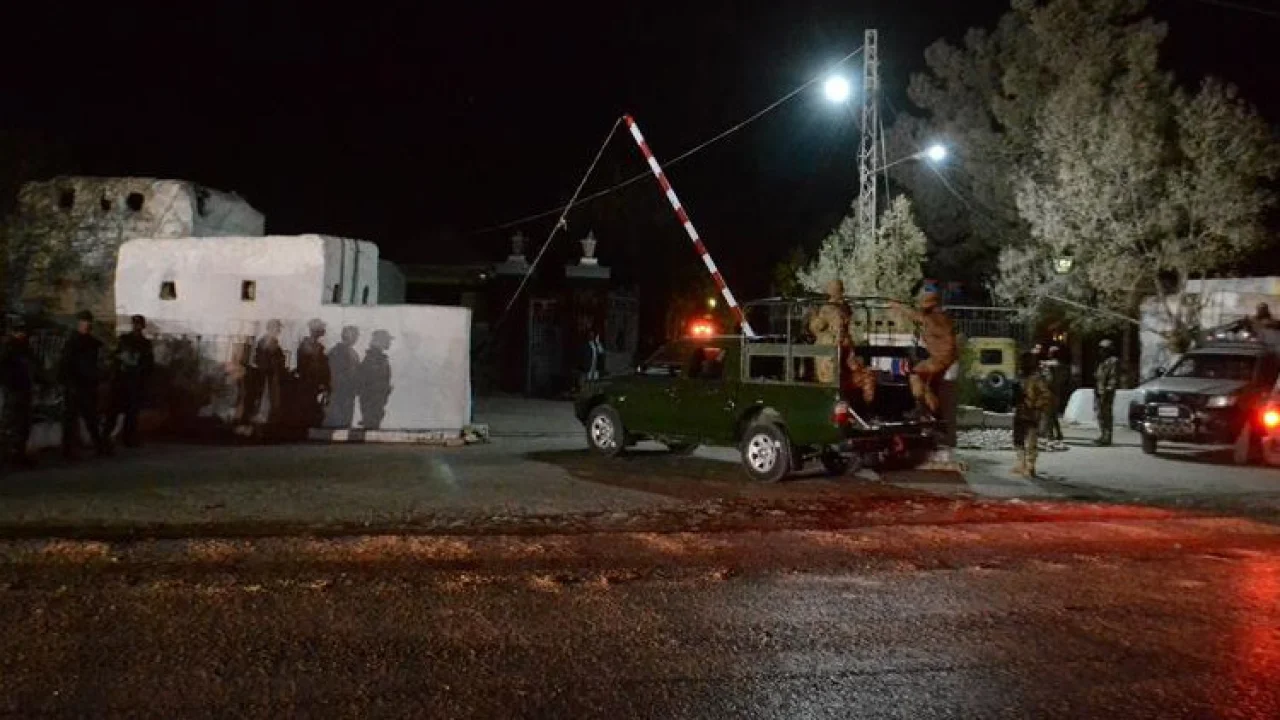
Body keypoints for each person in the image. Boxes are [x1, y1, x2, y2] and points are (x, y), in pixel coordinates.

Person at [892, 290, 958, 420]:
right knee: (930, 386)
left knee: (915, 375)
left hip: (940, 359)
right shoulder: (943, 317)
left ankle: (922, 409)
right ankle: (933, 413)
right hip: (945, 359)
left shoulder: (933, 318)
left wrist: (898, 307)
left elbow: (914, 315)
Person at [808, 279, 875, 404]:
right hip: (831, 360)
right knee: (862, 377)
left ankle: (862, 407)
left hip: (839, 359)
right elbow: (817, 327)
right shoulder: (833, 309)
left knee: (867, 377)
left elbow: (816, 327)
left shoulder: (835, 308)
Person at [58, 310, 110, 458]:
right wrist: (68, 383)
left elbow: (100, 362)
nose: (86, 325)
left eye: (87, 322)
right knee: (71, 419)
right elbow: (65, 365)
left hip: (88, 385)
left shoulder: (92, 343)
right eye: (83, 322)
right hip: (75, 386)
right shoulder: (72, 343)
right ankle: (68, 450)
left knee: (91, 418)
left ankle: (99, 446)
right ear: (78, 323)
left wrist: (100, 376)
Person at [103, 314, 154, 448]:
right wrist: (120, 361)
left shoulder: (145, 343)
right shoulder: (124, 339)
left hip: (134, 381)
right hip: (121, 380)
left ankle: (128, 438)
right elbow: (114, 355)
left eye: (139, 324)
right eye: (135, 324)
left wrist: (139, 369)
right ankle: (105, 437)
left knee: (132, 412)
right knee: (114, 411)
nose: (137, 327)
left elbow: (148, 364)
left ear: (142, 326)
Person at [1, 316, 38, 467]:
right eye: (18, 331)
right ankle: (11, 455)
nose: (21, 334)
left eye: (23, 331)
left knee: (23, 425)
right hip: (14, 391)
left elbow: (33, 367)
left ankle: (19, 455)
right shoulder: (9, 348)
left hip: (24, 389)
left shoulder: (25, 348)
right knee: (12, 424)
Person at [1012, 350, 1053, 477]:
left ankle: (1030, 466)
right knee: (1018, 439)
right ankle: (1021, 464)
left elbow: (1046, 395)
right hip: (1020, 411)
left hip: (1031, 413)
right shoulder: (1020, 377)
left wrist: (1036, 407)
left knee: (1031, 441)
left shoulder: (1036, 378)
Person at [294, 319, 330, 428]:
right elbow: (309, 367)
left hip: (313, 383)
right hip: (309, 383)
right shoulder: (308, 346)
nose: (323, 331)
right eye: (321, 329)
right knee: (308, 408)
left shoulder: (317, 346)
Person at [326, 326, 361, 427]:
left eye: (356, 335)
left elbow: (357, 374)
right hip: (337, 394)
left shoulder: (354, 354)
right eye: (354, 335)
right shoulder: (335, 352)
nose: (356, 338)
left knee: (346, 423)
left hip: (348, 395)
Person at [358, 330, 393, 430]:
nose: (389, 343)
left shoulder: (376, 357)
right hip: (373, 402)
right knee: (371, 428)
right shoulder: (374, 358)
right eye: (387, 340)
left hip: (376, 401)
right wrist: (385, 388)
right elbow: (371, 383)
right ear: (380, 341)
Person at [1094, 339, 1120, 446]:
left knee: (1106, 415)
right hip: (1099, 390)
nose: (1101, 351)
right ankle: (1103, 434)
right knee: (1099, 414)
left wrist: (1109, 389)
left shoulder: (1113, 361)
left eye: (1103, 349)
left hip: (1106, 391)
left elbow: (1113, 377)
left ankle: (1107, 437)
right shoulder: (1101, 362)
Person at [1040, 345, 1067, 448]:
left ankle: (1050, 435)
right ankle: (1059, 434)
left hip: (1050, 392)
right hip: (1056, 392)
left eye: (1050, 352)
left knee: (1048, 415)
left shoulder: (1053, 365)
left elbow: (1049, 379)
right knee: (1053, 415)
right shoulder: (1060, 365)